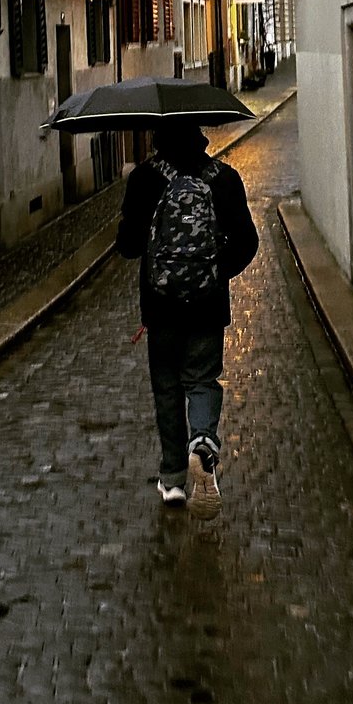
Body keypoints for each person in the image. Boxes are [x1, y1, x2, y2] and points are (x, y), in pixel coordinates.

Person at [115, 120, 259, 505]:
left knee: (167, 389)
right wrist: (213, 271)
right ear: (200, 134)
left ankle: (174, 479)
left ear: (157, 137)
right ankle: (203, 441)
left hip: (160, 309)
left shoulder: (145, 178)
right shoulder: (223, 178)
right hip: (207, 308)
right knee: (203, 381)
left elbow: (127, 247)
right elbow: (248, 242)